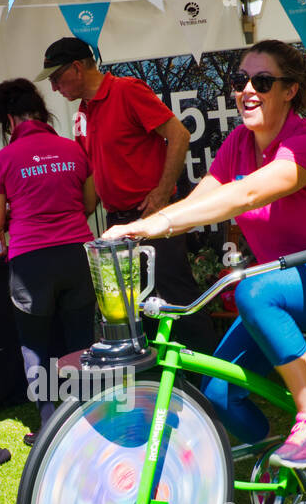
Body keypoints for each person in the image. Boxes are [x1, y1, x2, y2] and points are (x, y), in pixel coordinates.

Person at [104, 40, 306, 468]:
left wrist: (150, 224)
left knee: (254, 291)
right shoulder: (238, 142)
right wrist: (147, 227)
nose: (247, 89)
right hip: (283, 284)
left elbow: (247, 193)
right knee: (219, 391)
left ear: (290, 90)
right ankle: (271, 466)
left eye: (262, 81)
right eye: (240, 80)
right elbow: (203, 201)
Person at [37, 37, 217, 355]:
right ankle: (165, 383)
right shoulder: (83, 112)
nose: (53, 88)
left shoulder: (126, 90)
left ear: (77, 68)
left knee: (176, 300)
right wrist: (78, 214)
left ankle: (214, 382)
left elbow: (179, 134)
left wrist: (161, 194)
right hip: (118, 223)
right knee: (138, 309)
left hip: (152, 217)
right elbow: (93, 173)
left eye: (55, 77)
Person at [0, 78, 98, 442]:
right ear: (42, 111)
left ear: (9, 120)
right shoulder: (73, 149)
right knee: (81, 341)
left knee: (36, 346)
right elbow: (91, 204)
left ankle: (50, 428)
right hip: (78, 255)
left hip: (32, 261)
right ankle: (88, 417)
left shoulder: (3, 159)